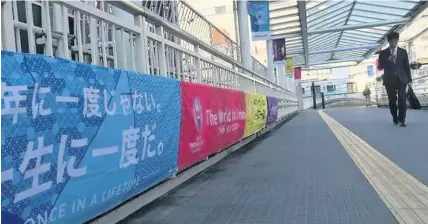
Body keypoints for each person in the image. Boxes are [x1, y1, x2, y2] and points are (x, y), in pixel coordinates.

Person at [378, 32, 412, 126]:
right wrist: (388, 59)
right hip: (389, 80)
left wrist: (409, 80)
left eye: (396, 41)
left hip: (402, 79)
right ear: (389, 41)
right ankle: (395, 117)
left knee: (402, 99)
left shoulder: (403, 52)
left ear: (398, 40)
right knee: (392, 100)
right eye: (392, 41)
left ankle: (402, 119)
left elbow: (406, 67)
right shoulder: (383, 53)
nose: (394, 43)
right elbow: (380, 66)